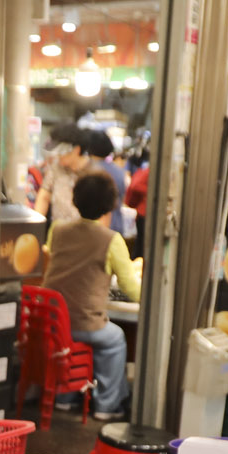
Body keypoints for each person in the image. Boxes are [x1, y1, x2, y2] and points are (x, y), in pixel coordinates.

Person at [41, 171, 134, 421]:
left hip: (52, 322)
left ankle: (65, 397)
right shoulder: (112, 240)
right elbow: (130, 287)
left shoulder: (58, 230)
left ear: (75, 199)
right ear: (111, 204)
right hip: (85, 323)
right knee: (115, 339)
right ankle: (106, 405)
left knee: (68, 342)